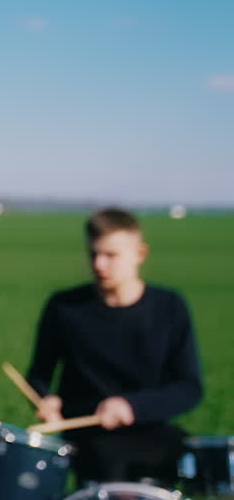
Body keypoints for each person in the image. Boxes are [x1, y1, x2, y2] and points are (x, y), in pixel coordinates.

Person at [26, 207, 202, 484]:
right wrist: (45, 398)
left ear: (140, 254)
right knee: (106, 458)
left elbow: (189, 388)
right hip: (87, 439)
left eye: (111, 255)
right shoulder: (64, 307)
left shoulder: (169, 307)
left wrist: (132, 406)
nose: (99, 265)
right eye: (93, 254)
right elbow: (38, 375)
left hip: (150, 432)